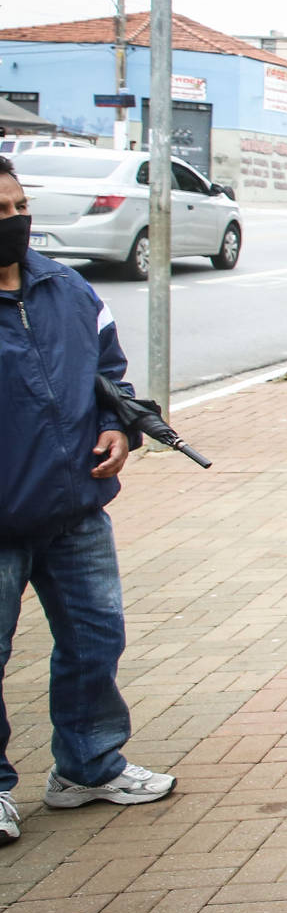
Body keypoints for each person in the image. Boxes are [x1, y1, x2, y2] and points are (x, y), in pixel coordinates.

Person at [0, 154, 178, 844]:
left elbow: (108, 373)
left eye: (19, 208)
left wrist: (114, 429)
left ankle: (87, 765)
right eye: (0, 213)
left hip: (75, 508)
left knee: (95, 639)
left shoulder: (66, 289)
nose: (14, 221)